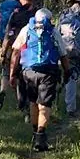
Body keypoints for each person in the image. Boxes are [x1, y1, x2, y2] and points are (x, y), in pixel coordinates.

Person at [11, 8, 69, 151]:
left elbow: (16, 51)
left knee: (33, 102)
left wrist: (13, 73)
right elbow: (63, 53)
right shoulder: (52, 31)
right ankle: (41, 137)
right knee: (45, 104)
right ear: (49, 19)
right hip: (48, 71)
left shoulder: (26, 29)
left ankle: (34, 133)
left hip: (28, 72)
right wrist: (67, 71)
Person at [0, 0, 38, 110]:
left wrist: (3, 52)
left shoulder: (15, 13)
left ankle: (8, 93)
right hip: (30, 50)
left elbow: (8, 35)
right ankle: (28, 105)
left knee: (10, 74)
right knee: (26, 79)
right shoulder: (36, 14)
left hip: (14, 49)